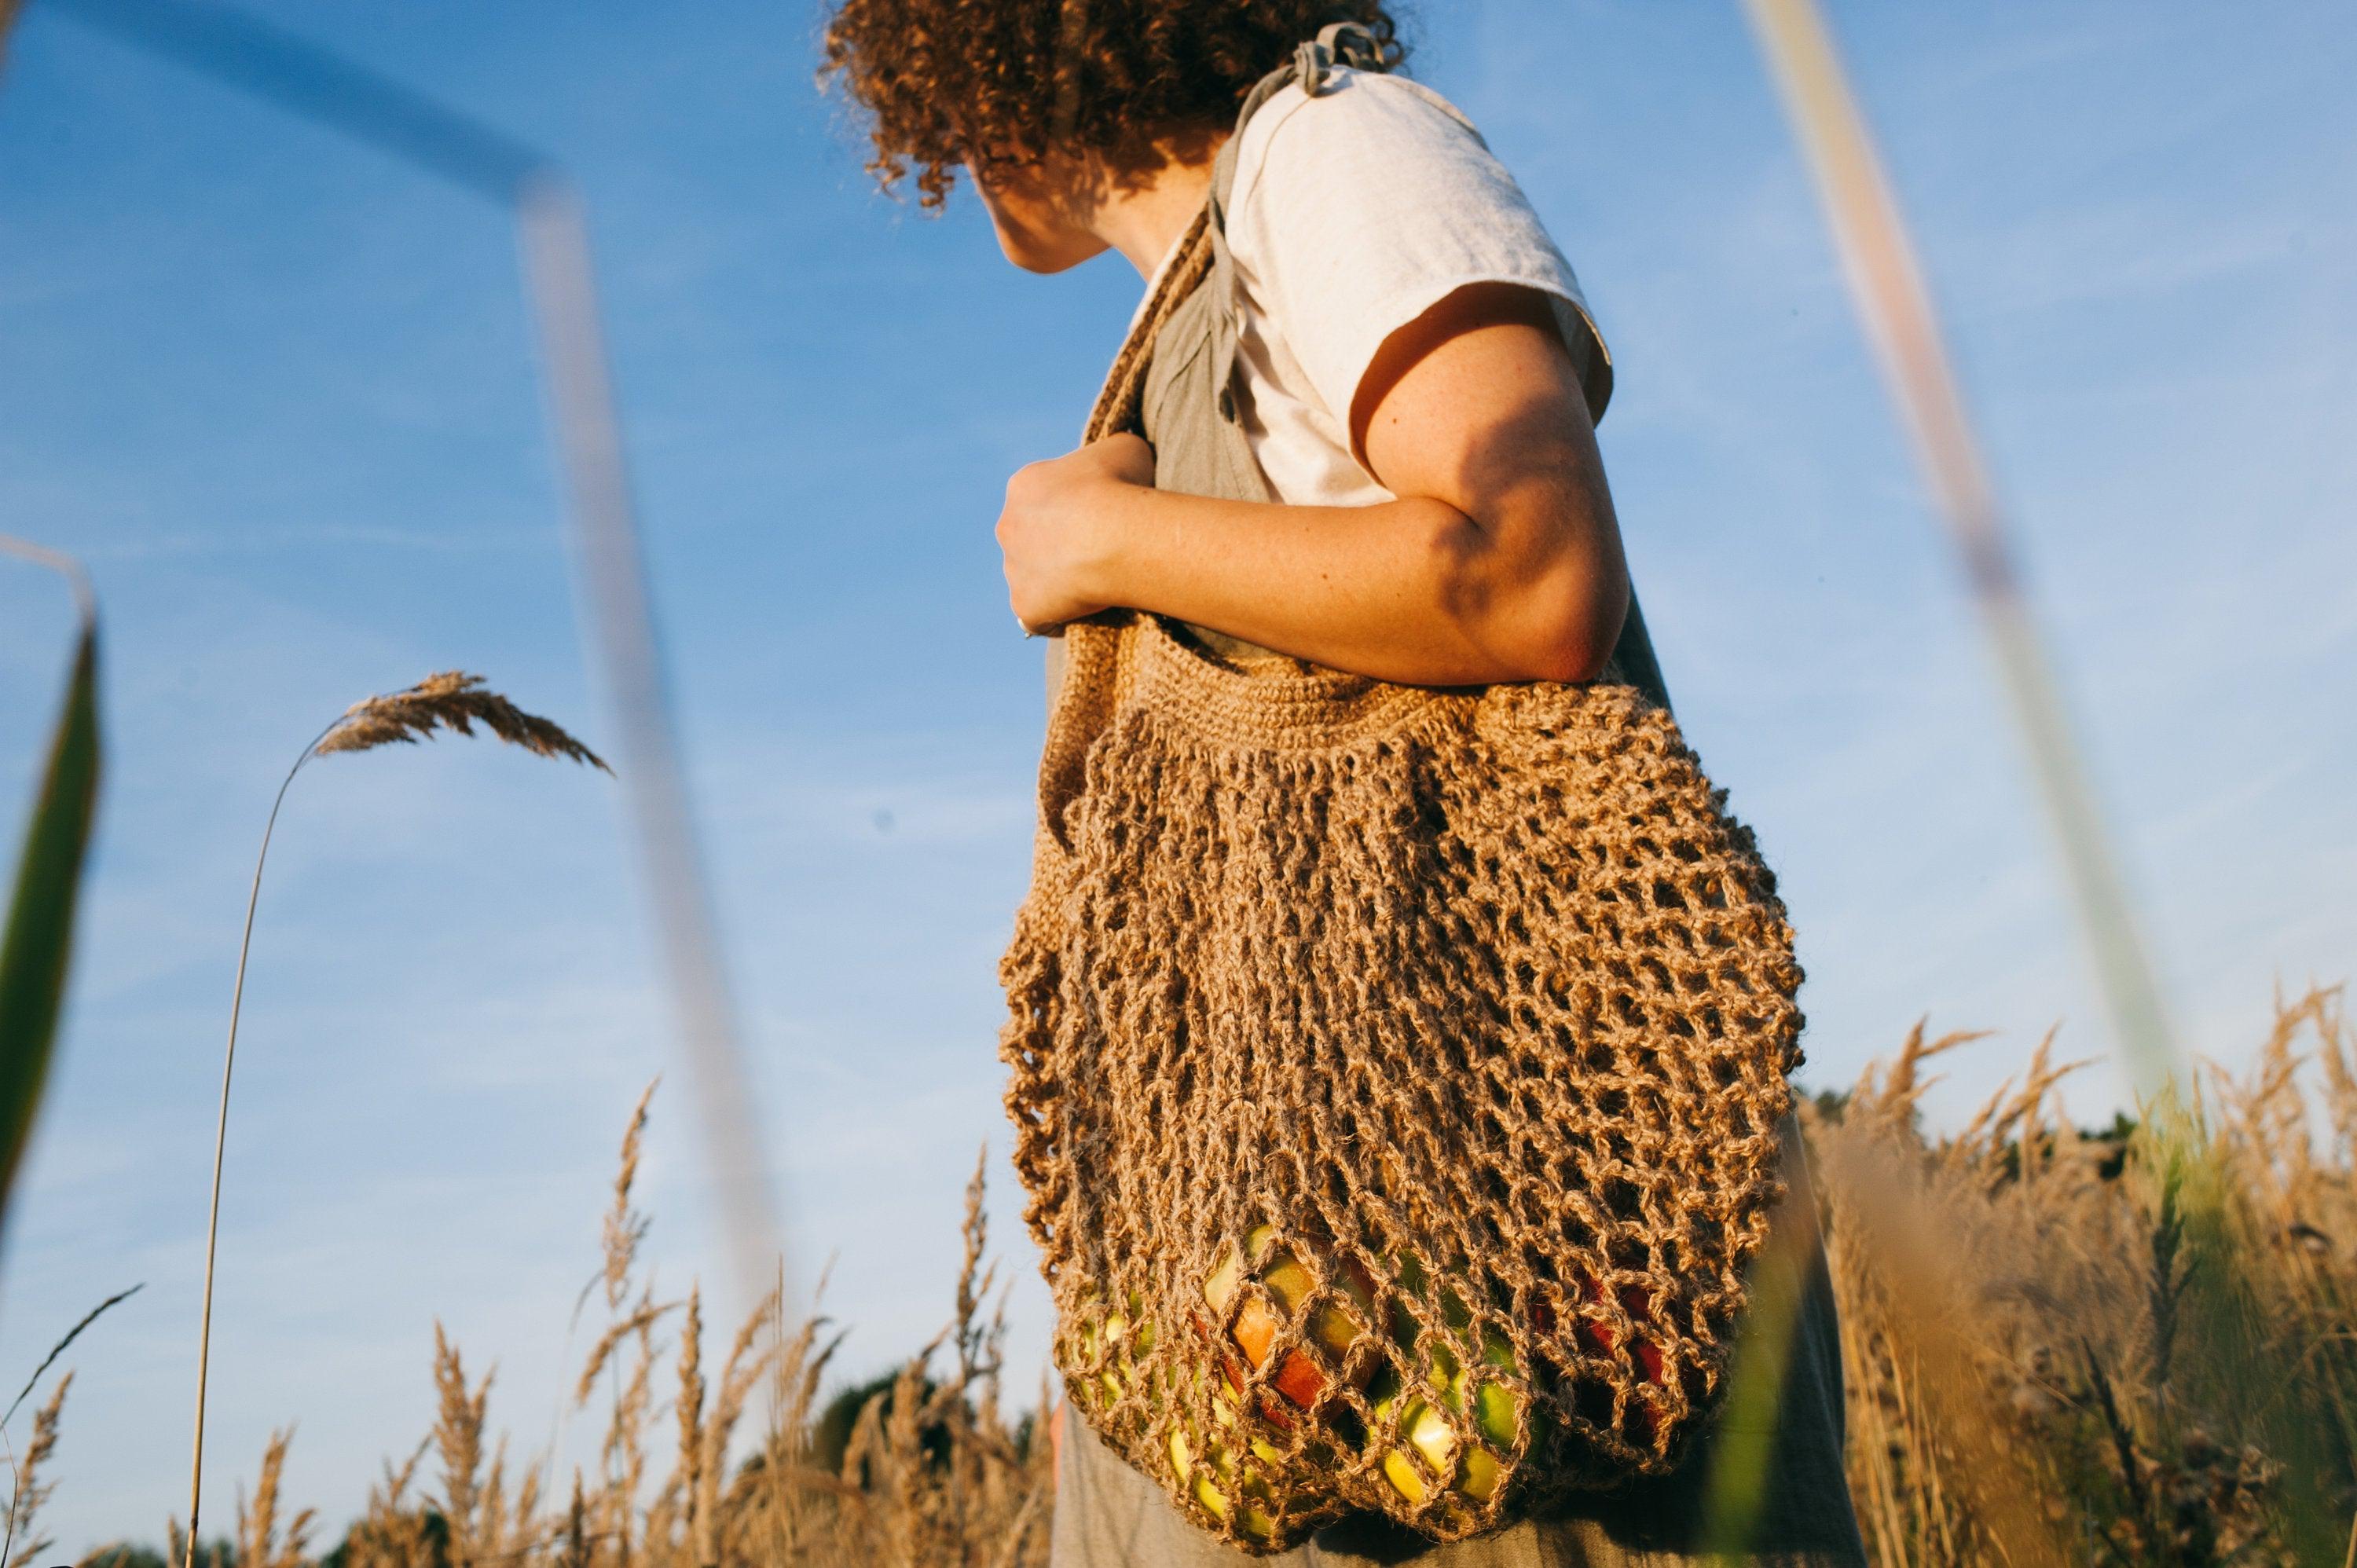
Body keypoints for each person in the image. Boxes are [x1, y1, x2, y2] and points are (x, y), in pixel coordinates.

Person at [819, 3, 1868, 1563]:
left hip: (1487, 1270)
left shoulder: (1334, 149)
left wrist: (1095, 542)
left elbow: (1529, 567)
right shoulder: (1201, 303)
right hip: (1307, 1310)